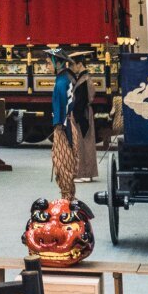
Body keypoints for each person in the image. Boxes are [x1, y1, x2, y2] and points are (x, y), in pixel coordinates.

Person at [49, 50, 77, 200]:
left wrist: (59, 127)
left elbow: (62, 107)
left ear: (58, 63)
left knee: (62, 162)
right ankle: (69, 195)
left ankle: (67, 198)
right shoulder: (65, 78)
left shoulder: (61, 82)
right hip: (68, 122)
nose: (47, 66)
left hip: (63, 125)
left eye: (49, 63)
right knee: (66, 160)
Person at [69, 52, 99, 182]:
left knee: (82, 143)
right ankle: (88, 173)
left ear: (80, 64)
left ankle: (83, 174)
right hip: (85, 113)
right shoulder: (84, 78)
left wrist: (76, 117)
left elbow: (80, 102)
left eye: (73, 65)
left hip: (82, 114)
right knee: (87, 143)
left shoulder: (83, 80)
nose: (72, 68)